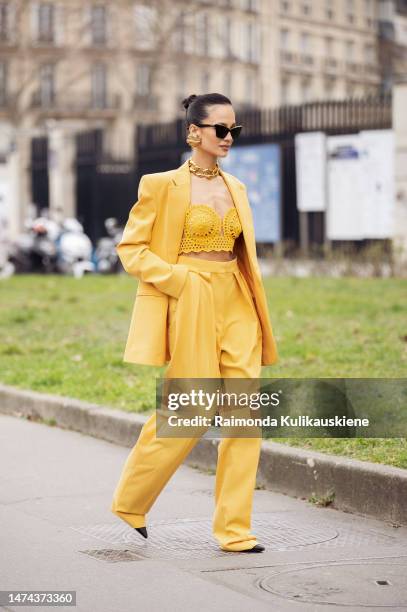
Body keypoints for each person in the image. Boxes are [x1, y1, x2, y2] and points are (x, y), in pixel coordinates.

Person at [111, 92, 279, 553]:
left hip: (238, 300)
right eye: (220, 130)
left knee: (245, 416)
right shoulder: (160, 185)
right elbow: (131, 249)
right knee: (191, 409)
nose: (229, 138)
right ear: (194, 132)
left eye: (234, 131)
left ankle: (235, 530)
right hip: (192, 298)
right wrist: (179, 279)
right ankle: (131, 500)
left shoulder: (236, 187)